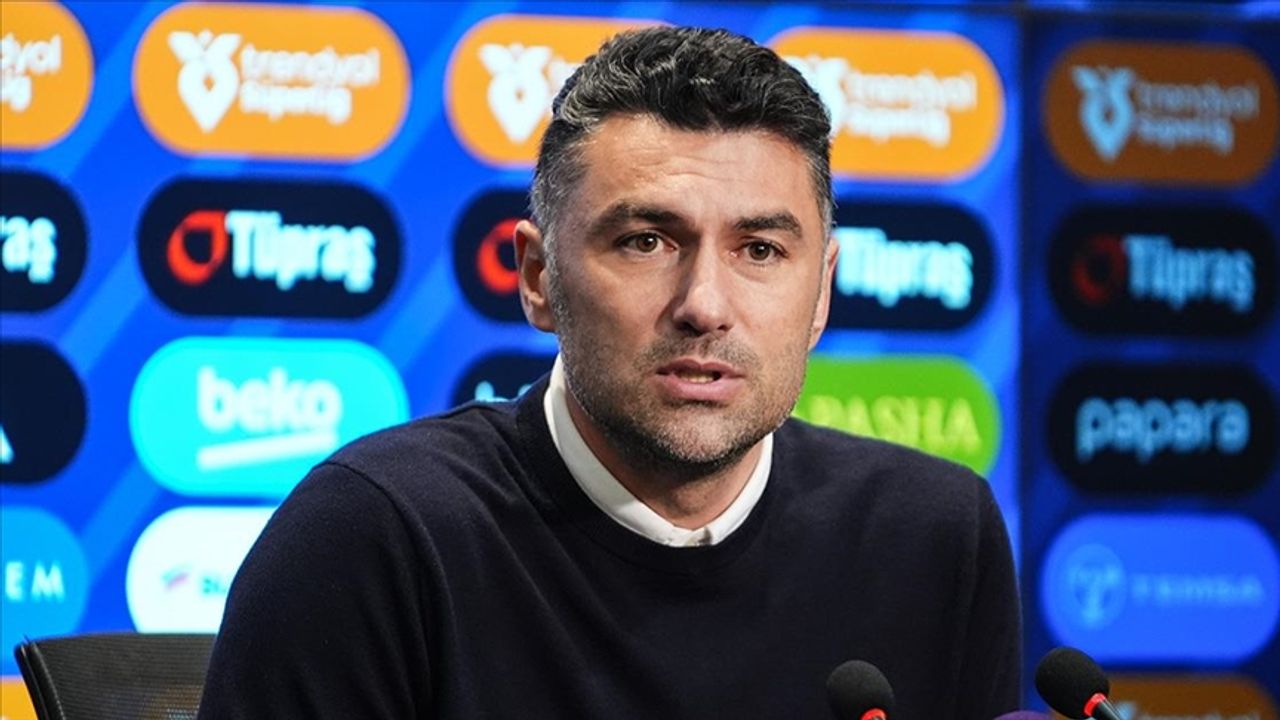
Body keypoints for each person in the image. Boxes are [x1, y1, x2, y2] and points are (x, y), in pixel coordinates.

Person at [197, 26, 1021, 719]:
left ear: (821, 293)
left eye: (761, 250)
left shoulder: (936, 536)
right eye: (646, 242)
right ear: (538, 278)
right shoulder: (374, 537)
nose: (704, 305)